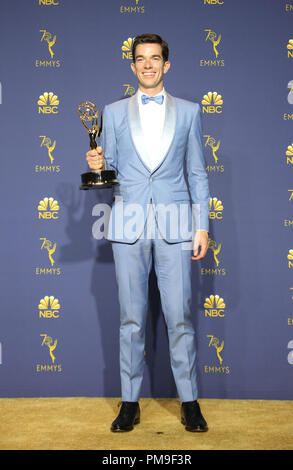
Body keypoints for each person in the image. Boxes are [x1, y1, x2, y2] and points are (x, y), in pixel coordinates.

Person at [86, 34, 210, 433]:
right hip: (129, 226)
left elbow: (196, 173)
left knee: (180, 318)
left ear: (166, 65)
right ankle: (129, 403)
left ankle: (190, 402)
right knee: (131, 320)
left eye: (155, 59)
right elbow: (110, 170)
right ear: (133, 66)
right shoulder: (113, 112)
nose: (148, 65)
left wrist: (202, 225)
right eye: (141, 59)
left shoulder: (190, 112)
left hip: (176, 227)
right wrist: (96, 160)